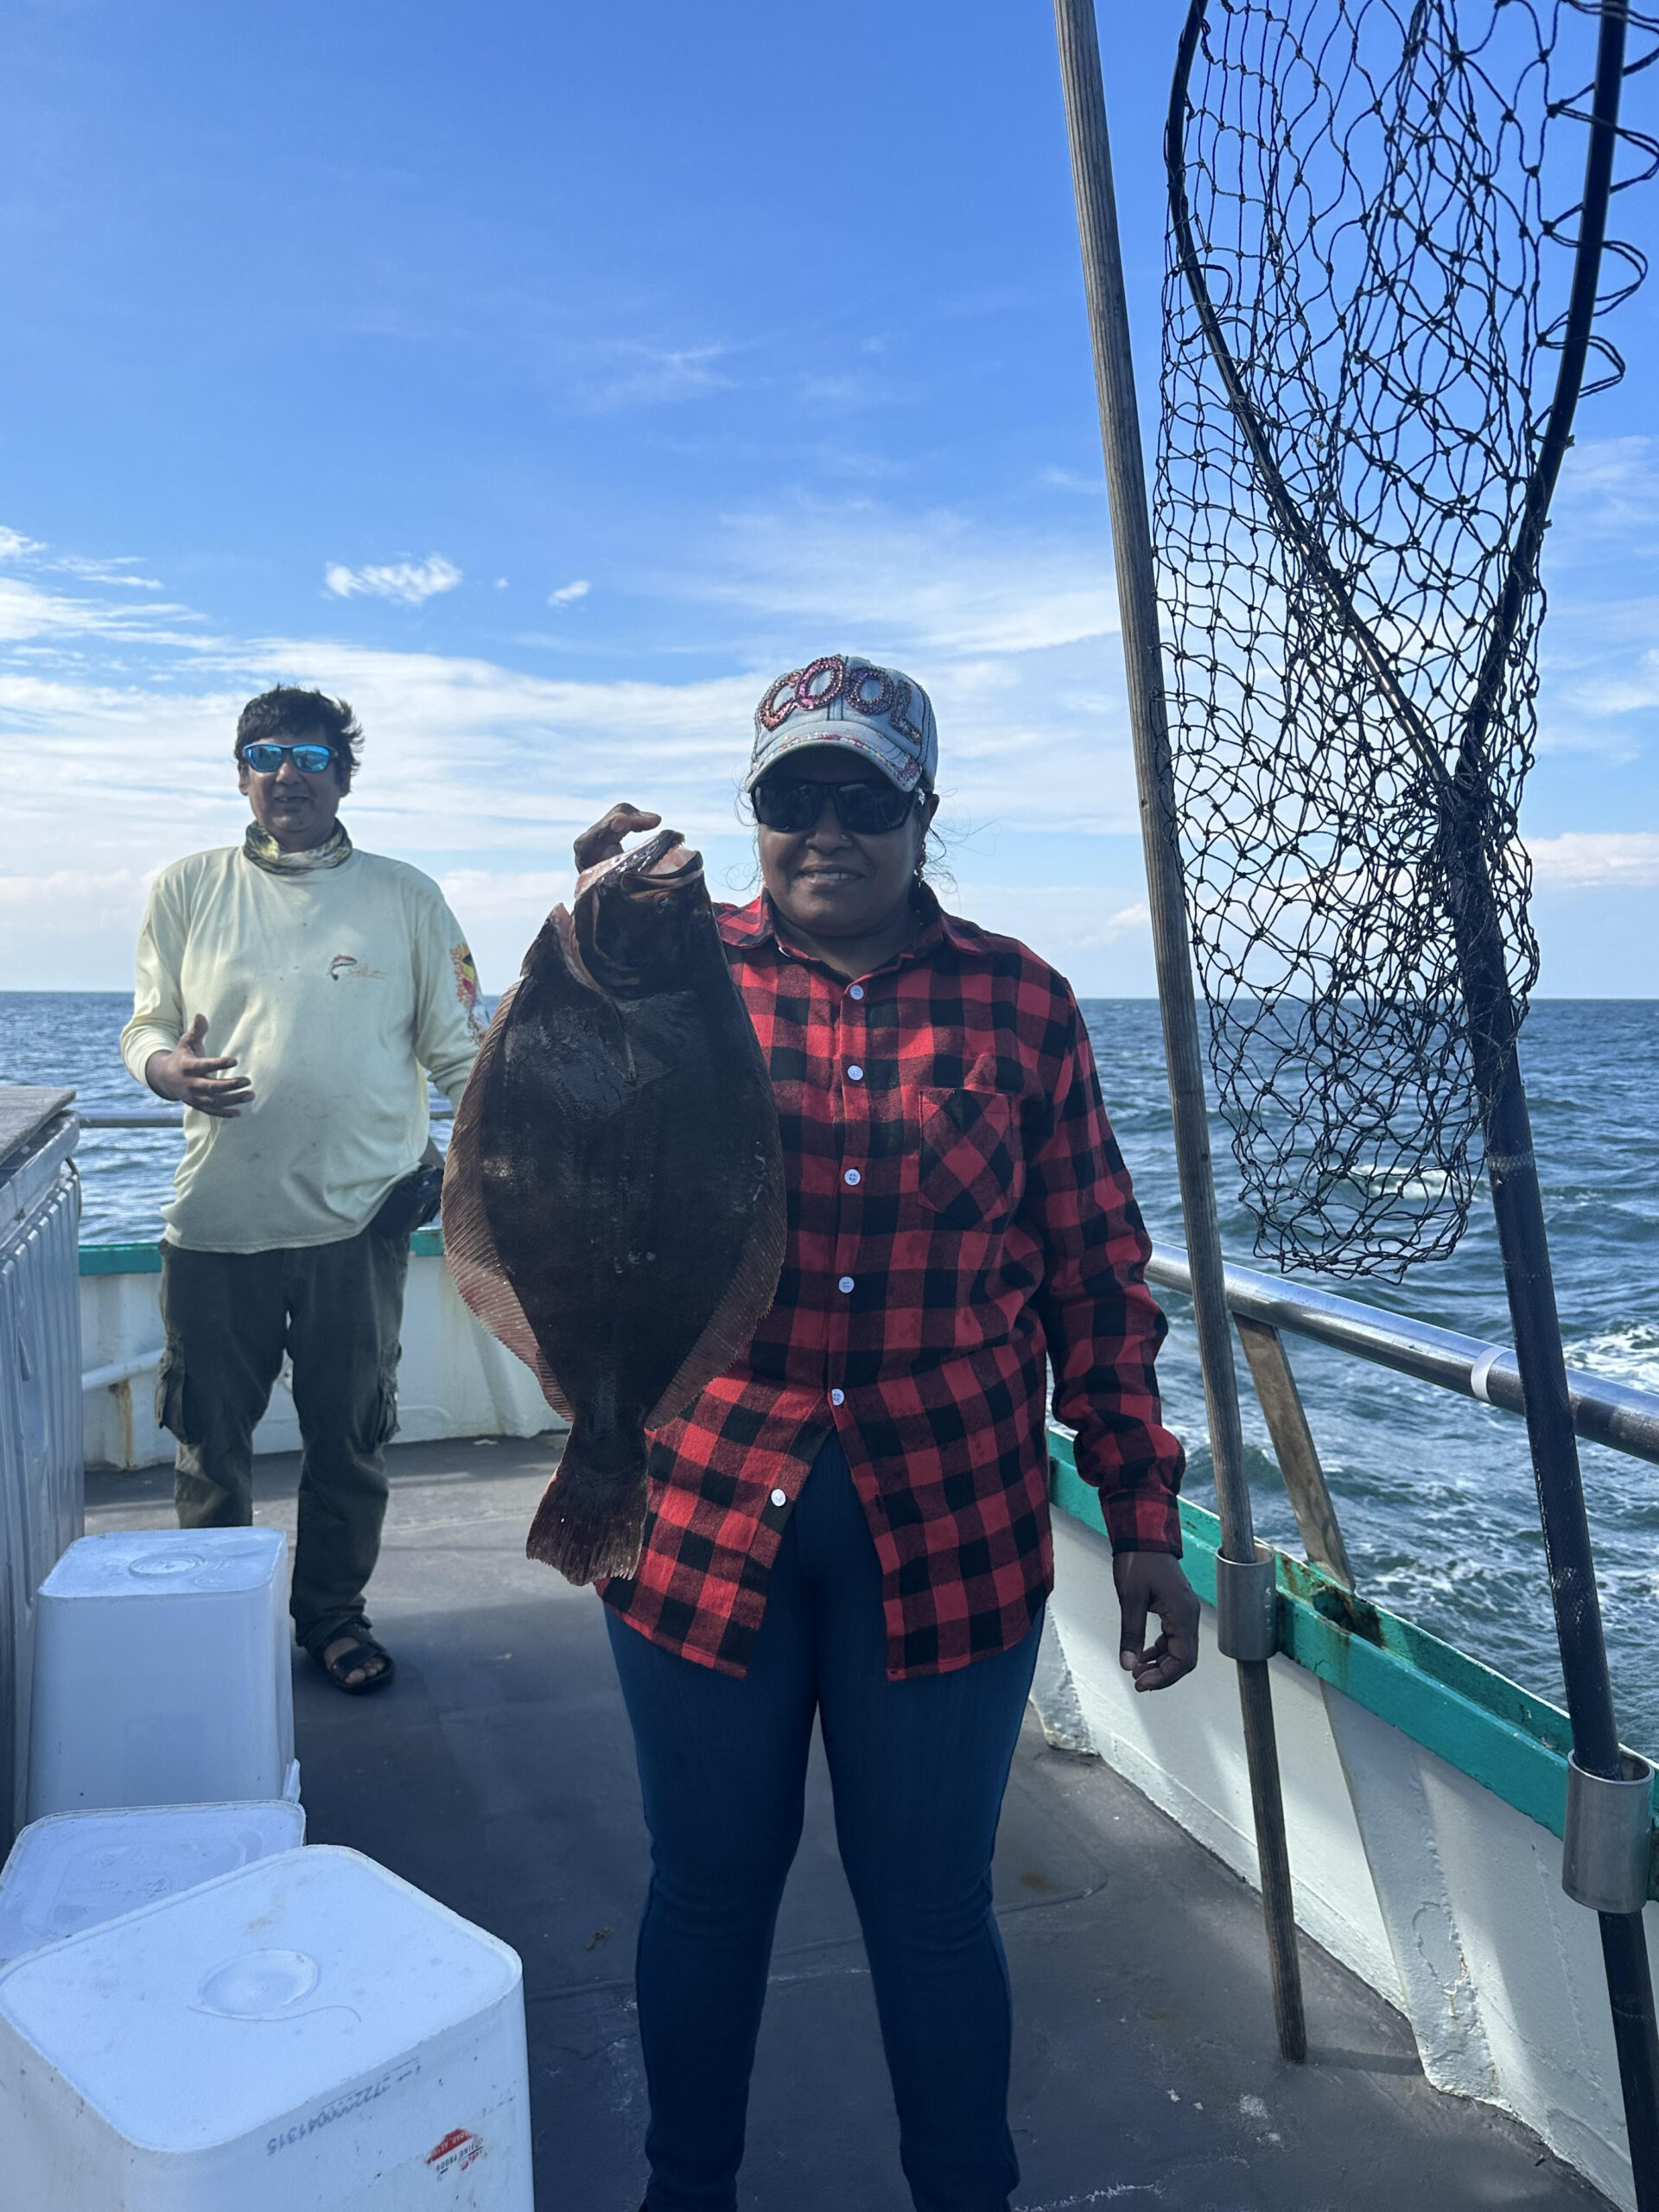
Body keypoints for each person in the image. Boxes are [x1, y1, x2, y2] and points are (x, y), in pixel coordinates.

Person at [580, 655, 1198, 2212]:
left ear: (926, 815)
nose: (828, 830)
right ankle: (684, 2189)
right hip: (698, 1505)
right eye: (795, 797)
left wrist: (1142, 1516)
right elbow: (547, 1150)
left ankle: (964, 2194)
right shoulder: (666, 972)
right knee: (708, 1893)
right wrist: (590, 942)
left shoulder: (1027, 1003)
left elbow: (1099, 1281)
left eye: (868, 798)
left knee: (929, 1904)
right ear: (753, 812)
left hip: (951, 1524)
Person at [119, 686, 486, 1694]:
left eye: (313, 754)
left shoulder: (408, 895)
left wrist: (520, 1147)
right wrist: (164, 1071)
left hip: (362, 1219)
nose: (288, 771)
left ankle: (332, 1617)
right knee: (208, 1442)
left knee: (350, 1437)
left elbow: (464, 1056)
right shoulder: (188, 887)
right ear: (240, 771)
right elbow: (146, 1024)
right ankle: (213, 1624)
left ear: (343, 774)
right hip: (215, 1219)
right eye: (265, 752)